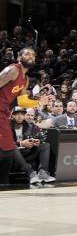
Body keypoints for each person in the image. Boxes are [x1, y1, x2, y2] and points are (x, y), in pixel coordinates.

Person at [0, 46, 34, 184]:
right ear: (19, 57)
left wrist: (38, 102)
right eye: (27, 54)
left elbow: (22, 101)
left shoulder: (25, 79)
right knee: (7, 149)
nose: (30, 56)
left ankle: (3, 183)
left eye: (32, 55)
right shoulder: (13, 70)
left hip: (3, 112)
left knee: (7, 149)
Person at [11, 106, 54, 184]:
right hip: (13, 156)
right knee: (13, 147)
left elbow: (41, 137)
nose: (19, 116)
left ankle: (43, 172)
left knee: (45, 145)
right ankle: (31, 173)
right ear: (12, 116)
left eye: (22, 114)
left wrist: (37, 141)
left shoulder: (31, 126)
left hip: (28, 153)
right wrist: (21, 143)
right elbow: (4, 143)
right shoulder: (6, 127)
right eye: (17, 114)